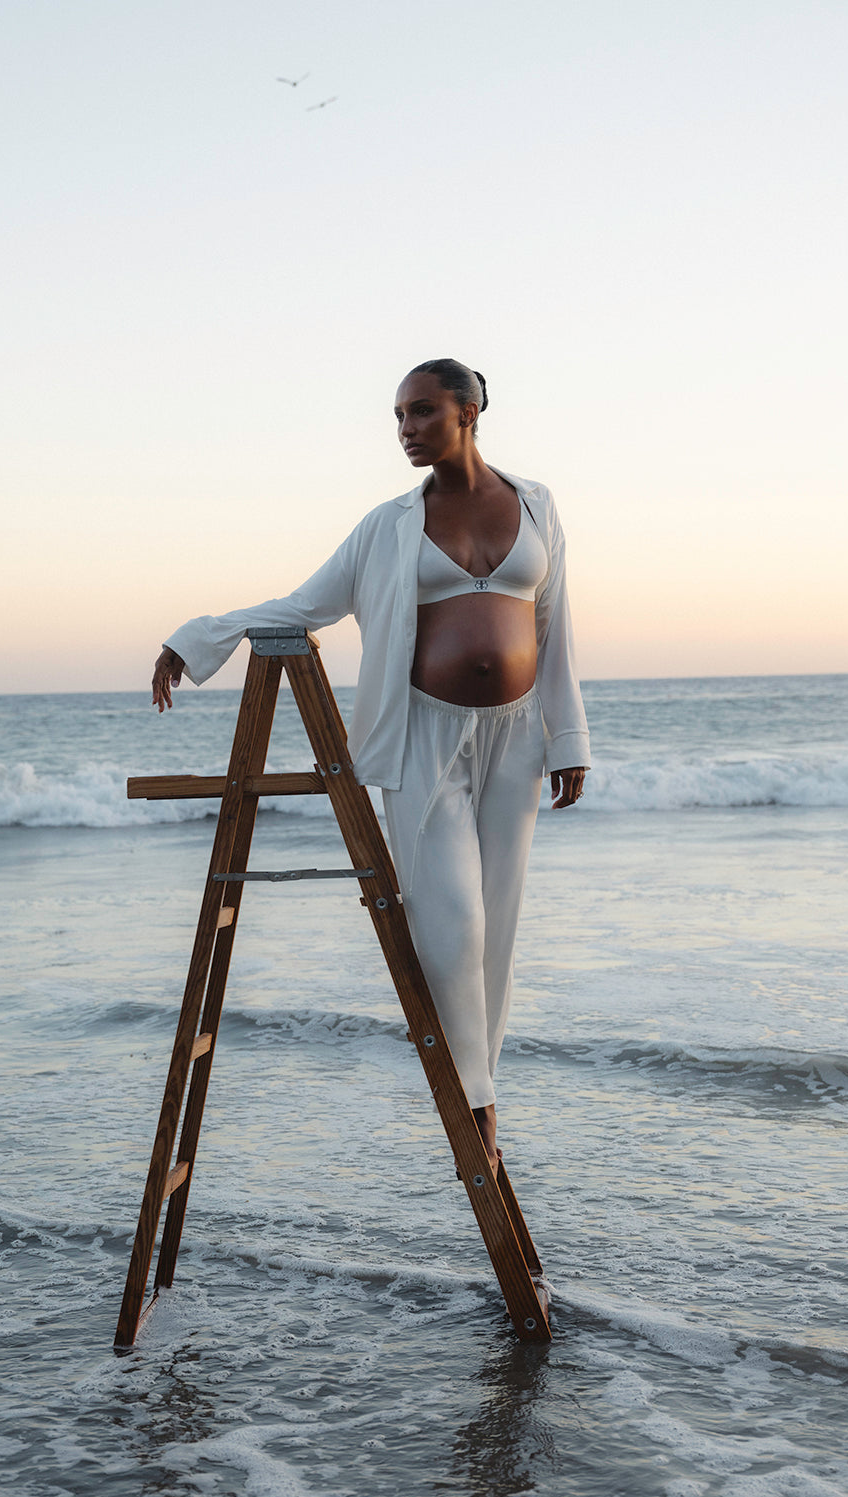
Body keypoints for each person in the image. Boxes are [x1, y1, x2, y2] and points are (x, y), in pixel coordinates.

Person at [152, 359, 589, 1171]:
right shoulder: (386, 526)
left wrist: (569, 738)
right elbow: (303, 604)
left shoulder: (537, 504)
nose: (406, 430)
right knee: (453, 926)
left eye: (421, 412)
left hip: (518, 736)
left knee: (500, 926)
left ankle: (482, 1085)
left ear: (469, 410)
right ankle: (476, 1105)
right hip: (424, 737)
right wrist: (197, 637)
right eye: (397, 417)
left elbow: (557, 626)